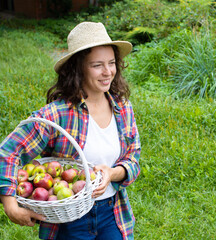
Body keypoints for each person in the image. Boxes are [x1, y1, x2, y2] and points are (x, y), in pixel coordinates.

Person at [0, 22, 141, 240]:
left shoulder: (122, 108)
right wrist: (10, 206)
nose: (108, 72)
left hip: (113, 213)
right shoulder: (57, 114)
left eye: (112, 63)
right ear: (78, 68)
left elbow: (133, 158)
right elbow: (7, 152)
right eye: (97, 65)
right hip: (69, 222)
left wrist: (112, 173)